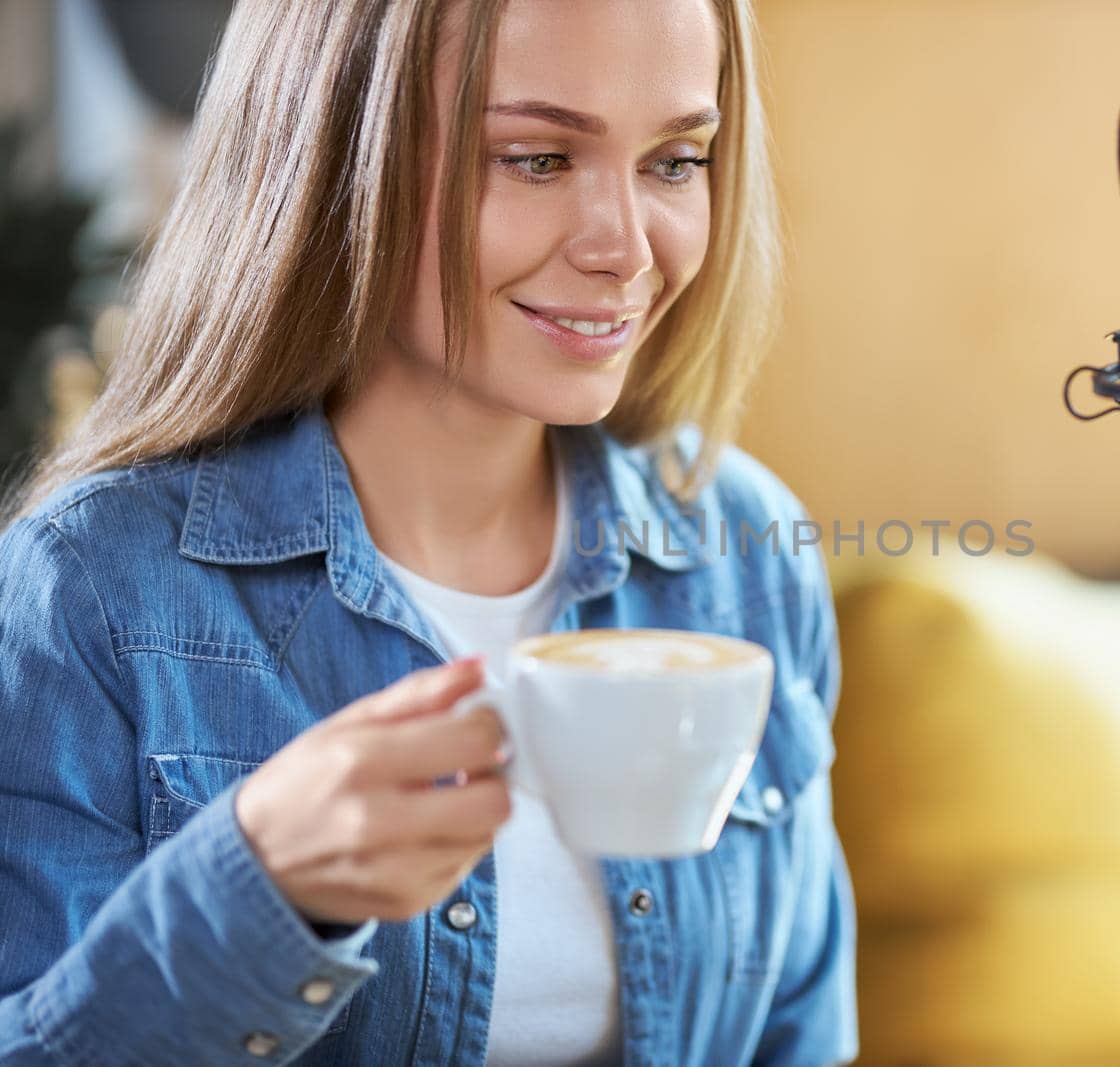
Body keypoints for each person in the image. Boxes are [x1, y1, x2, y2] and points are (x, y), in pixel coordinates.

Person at [0, 0, 856, 1064]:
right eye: (538, 158)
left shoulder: (743, 547)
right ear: (330, 161)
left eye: (676, 160)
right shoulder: (85, 588)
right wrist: (256, 888)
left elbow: (799, 1036)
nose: (626, 249)